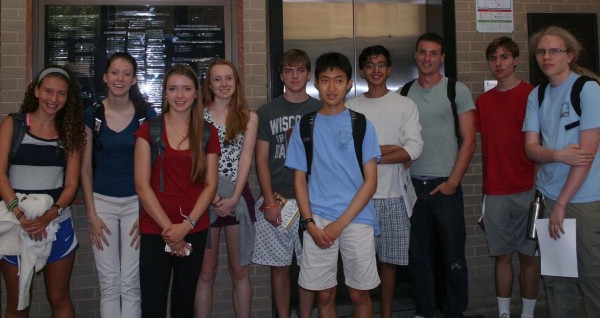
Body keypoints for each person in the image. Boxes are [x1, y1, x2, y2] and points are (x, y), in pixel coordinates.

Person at [285, 52, 381, 318]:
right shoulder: (305, 125)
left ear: (349, 83)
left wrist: (340, 223)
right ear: (316, 83)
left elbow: (370, 182)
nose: (331, 87)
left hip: (357, 219)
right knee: (324, 294)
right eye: (325, 80)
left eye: (338, 80)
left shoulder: (361, 124)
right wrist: (309, 224)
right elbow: (299, 180)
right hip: (318, 220)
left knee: (358, 293)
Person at [523, 26, 600, 318]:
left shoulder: (588, 90)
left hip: (584, 202)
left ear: (569, 55)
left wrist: (563, 204)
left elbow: (585, 157)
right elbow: (531, 149)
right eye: (541, 51)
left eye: (554, 50)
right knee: (557, 281)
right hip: (549, 197)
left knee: (592, 278)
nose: (546, 56)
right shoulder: (537, 95)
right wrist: (557, 154)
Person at [399, 32, 476, 318]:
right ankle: (425, 311)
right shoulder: (405, 93)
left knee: (453, 256)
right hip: (413, 188)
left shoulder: (457, 90)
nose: (427, 58)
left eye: (433, 53)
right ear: (416, 55)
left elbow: (469, 140)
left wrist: (453, 181)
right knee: (418, 256)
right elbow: (399, 138)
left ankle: (455, 311)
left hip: (446, 186)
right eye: (422, 52)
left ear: (442, 58)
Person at [134, 64, 219, 318]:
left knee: (184, 304)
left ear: (196, 93)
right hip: (155, 229)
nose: (179, 95)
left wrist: (186, 226)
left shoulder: (207, 132)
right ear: (165, 94)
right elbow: (141, 185)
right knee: (152, 303)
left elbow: (210, 185)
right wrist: (171, 230)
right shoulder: (149, 130)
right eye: (173, 89)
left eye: (186, 89)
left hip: (195, 227)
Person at [0, 66, 86, 317]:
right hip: (16, 223)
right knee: (18, 301)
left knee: (59, 298)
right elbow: (1, 174)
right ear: (36, 91)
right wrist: (19, 214)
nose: (54, 99)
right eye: (48, 91)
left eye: (61, 93)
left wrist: (49, 215)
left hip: (56, 223)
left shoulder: (71, 131)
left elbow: (71, 185)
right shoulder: (13, 124)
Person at [346, 45, 423, 318]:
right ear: (362, 71)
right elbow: (348, 153)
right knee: (361, 265)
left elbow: (414, 148)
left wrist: (371, 154)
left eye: (381, 65)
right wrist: (390, 149)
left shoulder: (404, 104)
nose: (375, 70)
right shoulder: (351, 107)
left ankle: (387, 314)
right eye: (369, 65)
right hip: (359, 201)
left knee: (389, 264)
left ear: (389, 69)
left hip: (394, 196)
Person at [81, 52, 157, 318]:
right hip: (102, 204)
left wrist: (147, 211)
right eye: (114, 72)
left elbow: (156, 166)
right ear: (105, 77)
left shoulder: (147, 114)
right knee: (110, 283)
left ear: (134, 79)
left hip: (137, 205)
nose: (120, 79)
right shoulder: (93, 114)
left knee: (130, 283)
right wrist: (91, 215)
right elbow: (85, 169)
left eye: (126, 74)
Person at [252, 48, 320, 318]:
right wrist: (269, 201)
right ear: (281, 75)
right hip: (278, 199)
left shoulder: (319, 109)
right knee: (279, 267)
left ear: (308, 74)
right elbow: (261, 160)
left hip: (313, 203)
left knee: (310, 267)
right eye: (289, 70)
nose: (294, 75)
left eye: (300, 70)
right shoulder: (268, 111)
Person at [474, 37, 539, 318]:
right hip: (495, 191)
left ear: (515, 60)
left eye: (504, 57)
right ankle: (503, 314)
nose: (498, 63)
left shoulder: (533, 95)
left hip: (528, 189)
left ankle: (528, 313)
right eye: (493, 58)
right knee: (501, 256)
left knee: (528, 256)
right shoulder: (483, 102)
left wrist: (540, 189)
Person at [194, 59, 257, 318]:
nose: (223, 84)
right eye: (217, 79)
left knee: (239, 270)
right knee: (206, 272)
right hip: (205, 197)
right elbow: (195, 158)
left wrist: (232, 199)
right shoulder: (197, 115)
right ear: (209, 84)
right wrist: (213, 196)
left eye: (228, 78)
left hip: (237, 198)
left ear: (236, 82)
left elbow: (246, 159)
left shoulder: (249, 117)